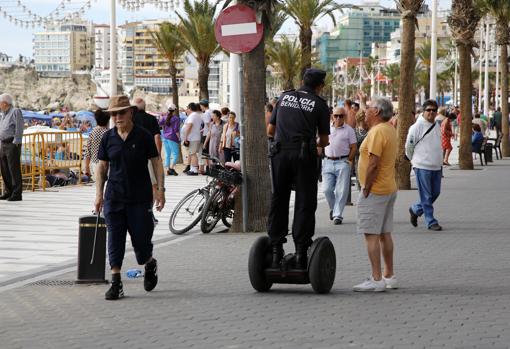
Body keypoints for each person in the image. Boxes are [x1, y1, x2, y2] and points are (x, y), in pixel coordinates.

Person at [94, 95, 165, 301]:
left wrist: (160, 189)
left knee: (141, 242)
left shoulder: (143, 136)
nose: (117, 117)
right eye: (113, 114)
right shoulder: (108, 138)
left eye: (121, 112)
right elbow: (102, 166)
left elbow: (156, 162)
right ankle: (116, 283)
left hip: (140, 198)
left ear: (131, 112)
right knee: (114, 239)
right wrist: (99, 194)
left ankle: (149, 263)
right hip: (114, 197)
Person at [267, 68, 330, 270]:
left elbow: (270, 129)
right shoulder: (320, 104)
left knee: (279, 198)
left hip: (280, 154)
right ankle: (301, 252)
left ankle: (276, 251)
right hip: (304, 155)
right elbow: (325, 140)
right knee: (305, 201)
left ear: (302, 80)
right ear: (320, 86)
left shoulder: (283, 98)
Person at [353, 97, 398, 292]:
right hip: (388, 188)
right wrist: (363, 103)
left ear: (377, 112)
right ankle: (389, 275)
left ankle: (376, 278)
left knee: (371, 234)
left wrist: (366, 188)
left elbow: (373, 163)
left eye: (370, 108)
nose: (367, 110)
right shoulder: (388, 129)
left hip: (375, 190)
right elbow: (366, 119)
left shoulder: (378, 132)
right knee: (384, 234)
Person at [406, 99, 443, 231]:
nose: (431, 113)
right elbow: (409, 146)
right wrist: (414, 161)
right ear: (423, 111)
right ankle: (430, 221)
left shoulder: (437, 125)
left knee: (436, 193)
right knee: (426, 195)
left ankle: (415, 209)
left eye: (434, 110)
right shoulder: (417, 127)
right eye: (428, 110)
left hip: (436, 166)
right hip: (422, 166)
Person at [322, 107, 357, 225]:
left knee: (341, 191)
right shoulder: (327, 128)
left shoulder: (349, 130)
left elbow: (353, 147)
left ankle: (338, 215)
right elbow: (320, 141)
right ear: (332, 116)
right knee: (326, 190)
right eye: (336, 115)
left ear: (345, 117)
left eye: (341, 116)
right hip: (327, 161)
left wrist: (349, 160)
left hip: (343, 162)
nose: (338, 118)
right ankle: (333, 209)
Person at [133, 97, 162, 224]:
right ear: (144, 107)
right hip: (149, 157)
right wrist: (158, 155)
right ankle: (149, 212)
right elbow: (157, 137)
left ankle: (136, 212)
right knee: (153, 185)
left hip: (133, 157)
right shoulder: (151, 119)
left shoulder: (131, 119)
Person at [0, 93, 24, 201]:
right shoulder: (3, 114)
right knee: (4, 169)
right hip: (3, 144)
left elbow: (19, 127)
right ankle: (8, 191)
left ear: (5, 103)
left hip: (11, 143)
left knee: (14, 169)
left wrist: (16, 142)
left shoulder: (15, 111)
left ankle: (16, 194)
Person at [84, 109, 110, 179]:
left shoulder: (93, 132)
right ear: (108, 121)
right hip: (107, 164)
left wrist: (86, 168)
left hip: (94, 163)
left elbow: (87, 152)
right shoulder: (108, 133)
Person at [160, 104, 180, 176]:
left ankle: (167, 170)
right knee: (175, 153)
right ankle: (171, 168)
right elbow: (176, 130)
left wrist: (164, 130)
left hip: (165, 137)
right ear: (174, 110)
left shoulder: (164, 117)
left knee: (167, 154)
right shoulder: (176, 118)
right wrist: (179, 138)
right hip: (173, 137)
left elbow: (160, 124)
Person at [182, 102, 202, 176]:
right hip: (195, 137)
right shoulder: (196, 115)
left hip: (192, 137)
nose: (186, 110)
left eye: (187, 108)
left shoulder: (192, 116)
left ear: (190, 108)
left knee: (193, 154)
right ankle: (192, 169)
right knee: (192, 153)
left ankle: (194, 170)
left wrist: (185, 137)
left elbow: (189, 126)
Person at [199, 99, 212, 174]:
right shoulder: (211, 111)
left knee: (206, 152)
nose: (200, 107)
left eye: (200, 105)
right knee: (209, 151)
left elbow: (208, 125)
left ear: (202, 105)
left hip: (207, 134)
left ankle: (208, 168)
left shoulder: (206, 114)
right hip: (208, 133)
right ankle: (209, 168)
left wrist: (210, 132)